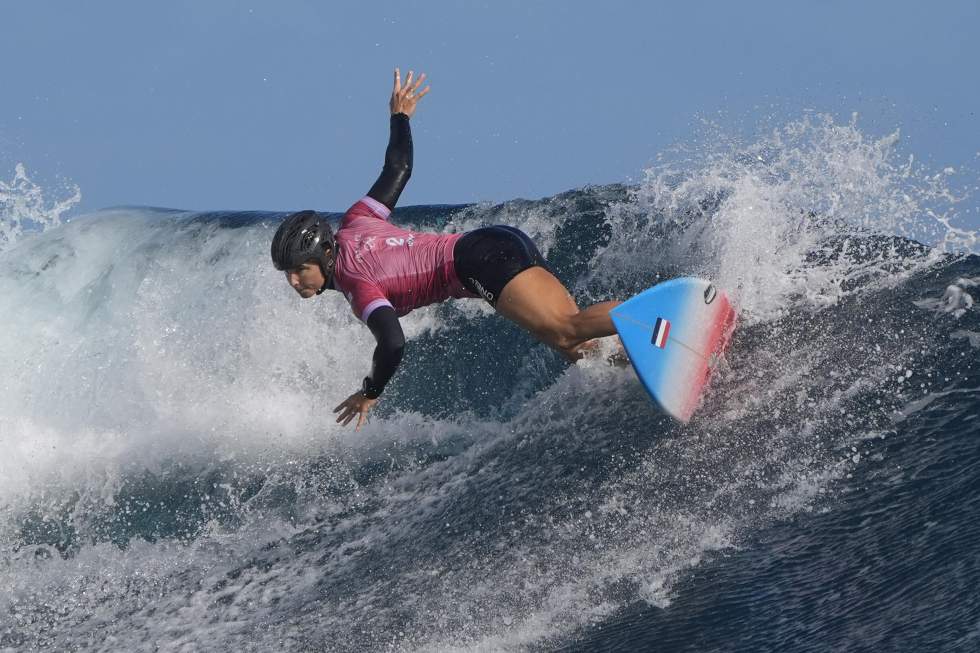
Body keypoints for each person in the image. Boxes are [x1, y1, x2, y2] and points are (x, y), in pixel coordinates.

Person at [271, 68, 622, 430]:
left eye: (300, 269)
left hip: (479, 262)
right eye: (288, 273)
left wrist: (370, 391)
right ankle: (644, 358)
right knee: (574, 346)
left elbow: (392, 344)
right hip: (494, 241)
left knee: (565, 329)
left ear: (326, 255)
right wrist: (400, 116)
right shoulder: (357, 219)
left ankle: (651, 320)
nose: (295, 280)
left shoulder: (356, 284)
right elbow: (399, 168)